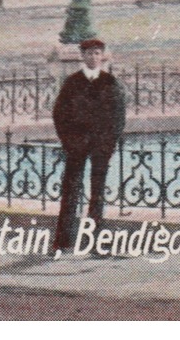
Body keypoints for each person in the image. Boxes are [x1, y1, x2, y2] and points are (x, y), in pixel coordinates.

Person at [52, 38, 127, 252]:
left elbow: (118, 117)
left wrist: (107, 144)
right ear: (82, 56)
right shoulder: (72, 83)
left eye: (97, 53)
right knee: (71, 190)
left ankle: (95, 241)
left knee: (98, 193)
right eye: (89, 53)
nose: (93, 57)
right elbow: (60, 114)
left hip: (100, 148)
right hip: (76, 146)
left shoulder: (110, 82)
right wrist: (69, 142)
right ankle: (63, 241)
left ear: (102, 56)